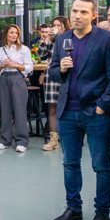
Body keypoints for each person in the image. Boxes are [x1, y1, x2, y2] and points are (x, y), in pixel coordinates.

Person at [49, 0, 110, 220]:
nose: (77, 16)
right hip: (67, 112)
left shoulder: (106, 39)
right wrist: (61, 69)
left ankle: (102, 213)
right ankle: (74, 208)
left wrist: (103, 106)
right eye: (75, 11)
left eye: (83, 12)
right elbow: (52, 71)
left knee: (101, 165)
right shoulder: (62, 39)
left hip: (95, 113)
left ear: (94, 15)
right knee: (70, 164)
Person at [0, 24, 33, 152]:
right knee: (5, 110)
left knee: (19, 110)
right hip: (4, 78)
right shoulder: (0, 50)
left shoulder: (23, 49)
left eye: (16, 33)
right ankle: (5, 140)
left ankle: (22, 141)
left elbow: (29, 67)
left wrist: (14, 64)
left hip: (17, 78)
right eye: (11, 32)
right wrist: (2, 66)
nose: (14, 35)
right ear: (6, 34)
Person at [42, 16, 71, 151]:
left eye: (59, 25)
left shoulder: (70, 39)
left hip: (67, 76)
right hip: (52, 77)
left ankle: (68, 138)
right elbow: (41, 54)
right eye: (54, 25)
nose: (55, 28)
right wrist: (46, 39)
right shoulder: (52, 41)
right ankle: (53, 140)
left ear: (65, 26)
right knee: (52, 108)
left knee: (68, 107)